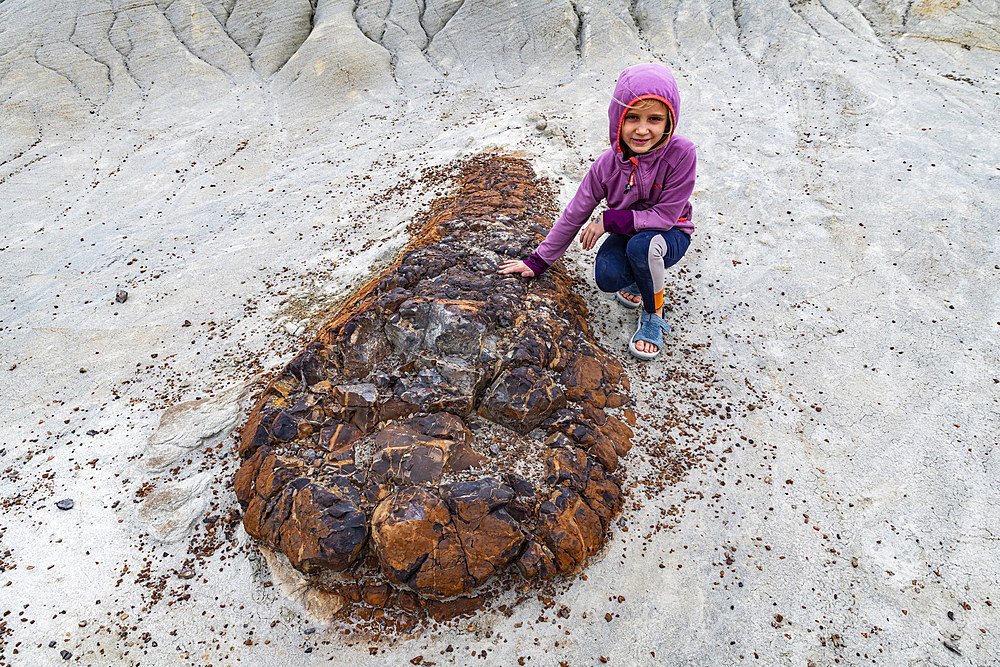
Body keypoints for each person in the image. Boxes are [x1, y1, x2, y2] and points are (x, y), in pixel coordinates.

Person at [498, 63, 696, 361]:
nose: (642, 129)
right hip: (630, 231)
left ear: (669, 121)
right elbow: (574, 214)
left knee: (644, 248)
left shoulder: (682, 153)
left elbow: (665, 217)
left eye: (654, 119)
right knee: (607, 276)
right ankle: (638, 282)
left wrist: (609, 220)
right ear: (618, 119)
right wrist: (539, 261)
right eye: (632, 118)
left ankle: (653, 314)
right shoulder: (606, 167)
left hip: (671, 233)